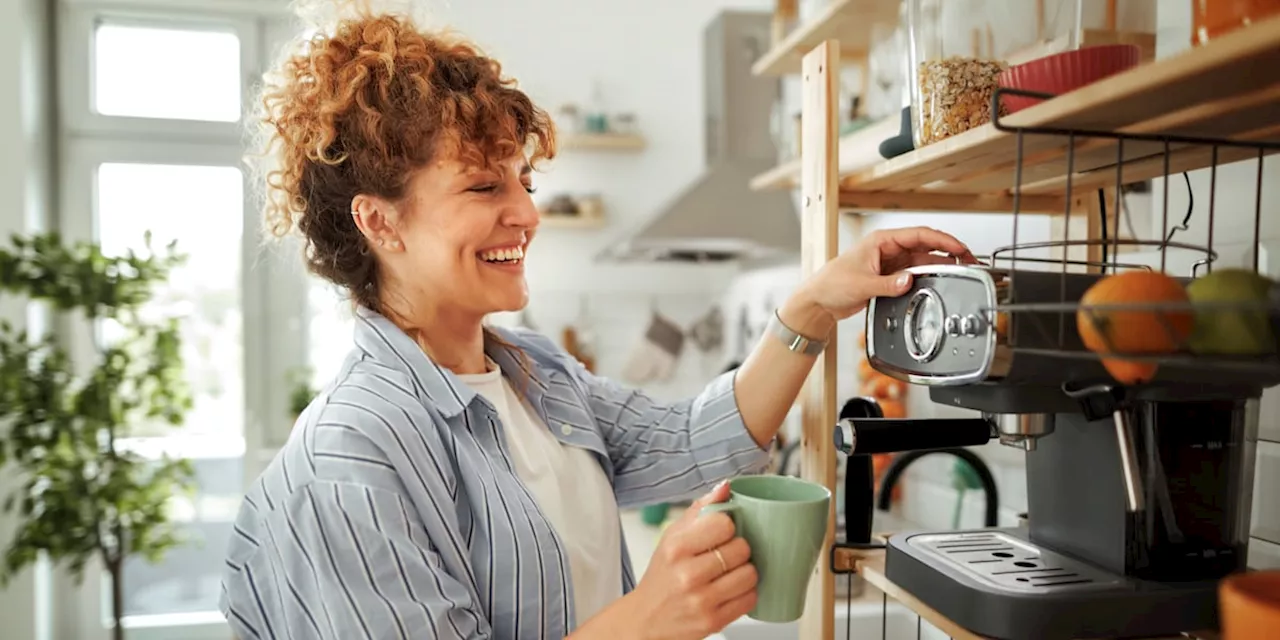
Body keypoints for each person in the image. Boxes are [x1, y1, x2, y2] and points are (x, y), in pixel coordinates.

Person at [219, 6, 976, 640]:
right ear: (380, 222)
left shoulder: (535, 375)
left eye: (524, 180)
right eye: (485, 186)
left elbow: (693, 442)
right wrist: (649, 617)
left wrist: (815, 303)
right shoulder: (352, 454)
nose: (525, 213)